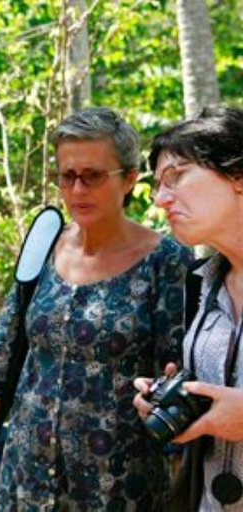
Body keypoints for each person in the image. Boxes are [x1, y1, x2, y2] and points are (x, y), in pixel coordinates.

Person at [0, 107, 194, 511]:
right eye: (67, 176)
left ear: (129, 179)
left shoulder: (167, 261)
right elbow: (0, 359)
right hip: (25, 483)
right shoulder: (44, 245)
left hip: (120, 490)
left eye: (93, 176)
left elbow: (177, 386)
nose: (78, 190)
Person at [133, 106, 243, 511]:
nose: (161, 199)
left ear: (237, 175)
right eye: (158, 185)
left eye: (176, 177)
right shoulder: (202, 280)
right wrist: (177, 398)